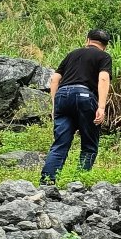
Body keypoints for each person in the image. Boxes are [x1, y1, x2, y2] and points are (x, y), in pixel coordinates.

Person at [40, 30, 112, 183]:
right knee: (89, 145)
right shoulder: (103, 56)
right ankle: (79, 183)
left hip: (62, 96)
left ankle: (46, 182)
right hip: (85, 96)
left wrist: (55, 105)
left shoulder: (72, 54)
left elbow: (55, 79)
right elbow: (104, 78)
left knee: (60, 144)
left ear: (87, 40)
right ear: (105, 46)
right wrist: (101, 107)